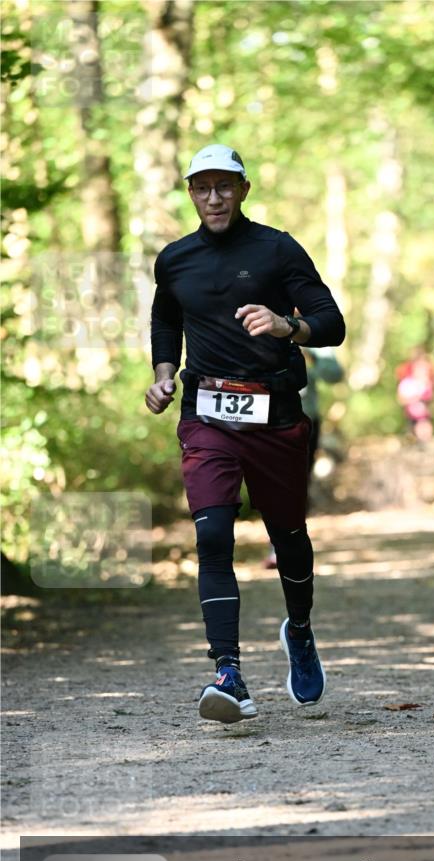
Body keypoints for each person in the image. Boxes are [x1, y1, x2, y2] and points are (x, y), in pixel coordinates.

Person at [145, 143, 345, 723]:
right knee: (212, 536)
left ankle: (300, 630)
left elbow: (331, 323)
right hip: (207, 418)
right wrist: (162, 376)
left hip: (276, 418)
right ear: (190, 193)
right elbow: (165, 318)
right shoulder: (175, 259)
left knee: (289, 539)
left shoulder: (277, 248)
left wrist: (288, 325)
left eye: (224, 187)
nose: (213, 197)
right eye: (202, 187)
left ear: (243, 189)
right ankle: (228, 674)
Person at [263, 344, 344, 569]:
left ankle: (285, 545)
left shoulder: (313, 336)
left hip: (305, 418)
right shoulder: (256, 323)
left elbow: (334, 374)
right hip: (264, 417)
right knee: (271, 482)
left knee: (298, 483)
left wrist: (310, 356)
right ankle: (277, 543)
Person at [396, 346, 434, 442]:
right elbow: (402, 397)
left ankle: (422, 440)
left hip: (423, 411)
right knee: (414, 426)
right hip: (412, 410)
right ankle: (414, 439)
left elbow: (430, 393)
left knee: (423, 426)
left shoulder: (426, 376)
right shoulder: (407, 378)